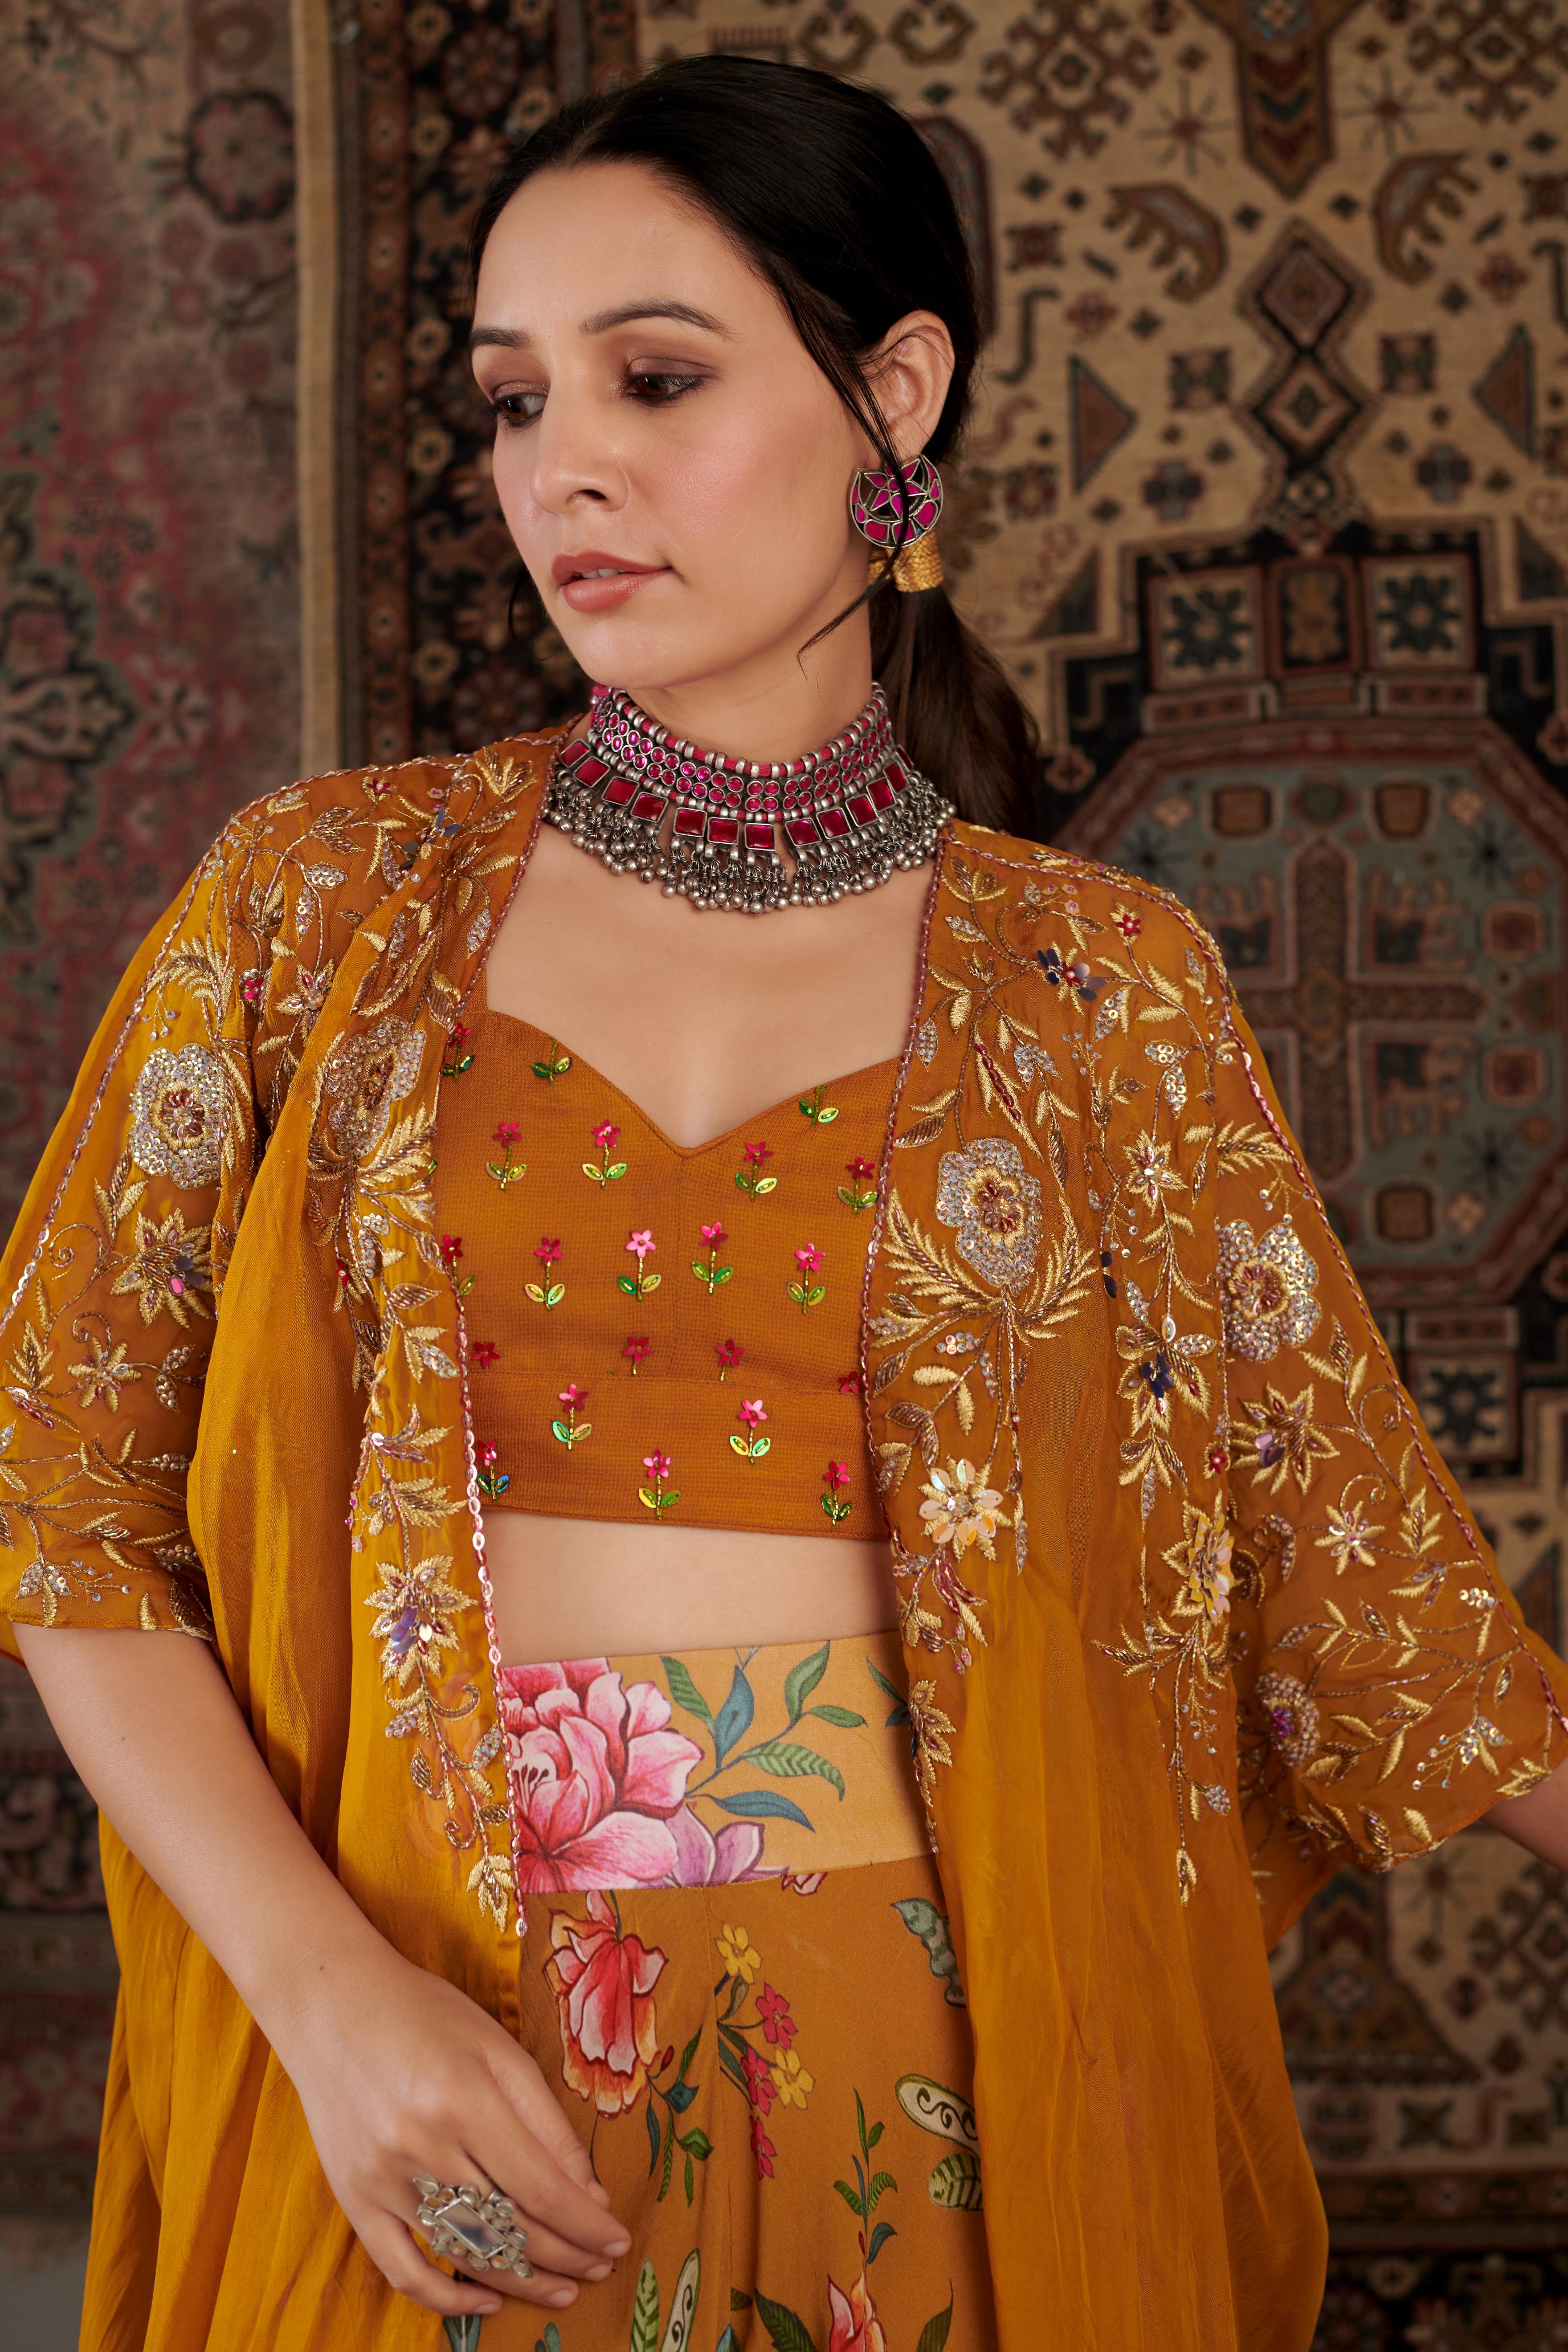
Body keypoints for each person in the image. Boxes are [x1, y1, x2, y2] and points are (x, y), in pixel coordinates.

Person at [5, 53, 1567, 2352]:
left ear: (893, 397)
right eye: (514, 402)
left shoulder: (1093, 988)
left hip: (931, 2096)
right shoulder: (318, 910)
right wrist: (327, 2001)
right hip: (425, 2076)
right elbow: (63, 1491)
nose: (565, 467)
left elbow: (1364, 1570)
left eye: (653, 378)